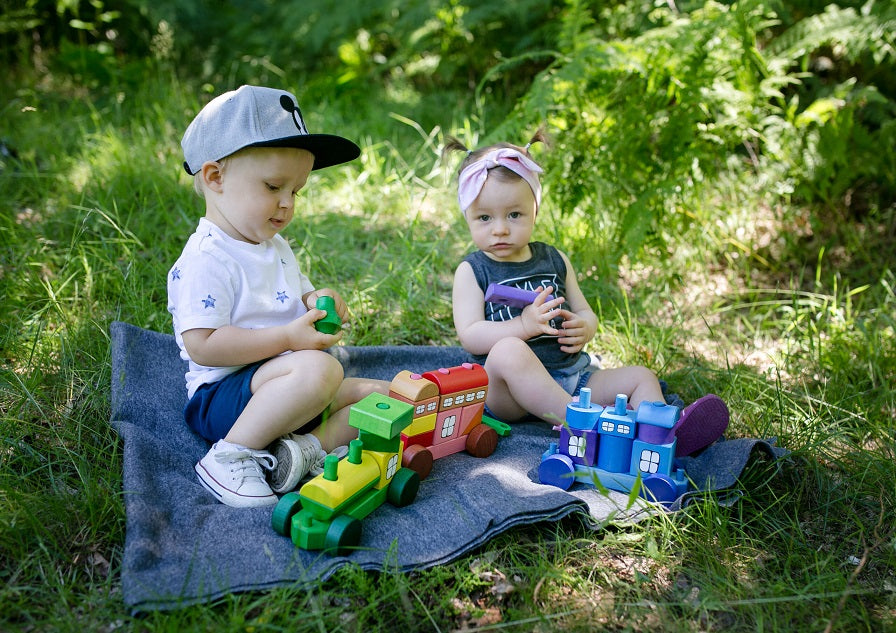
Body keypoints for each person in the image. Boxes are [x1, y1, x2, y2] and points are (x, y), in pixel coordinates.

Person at [168, 85, 387, 508]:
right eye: (273, 186)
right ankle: (232, 456)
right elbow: (203, 345)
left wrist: (317, 299)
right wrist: (289, 339)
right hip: (224, 399)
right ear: (215, 177)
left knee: (376, 399)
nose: (287, 204)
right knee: (321, 373)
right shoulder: (207, 259)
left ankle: (301, 454)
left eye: (297, 191)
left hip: (285, 381)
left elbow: (297, 293)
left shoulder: (271, 243)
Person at [445, 131, 729, 456]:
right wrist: (523, 326)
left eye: (514, 215)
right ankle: (584, 424)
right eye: (484, 217)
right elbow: (470, 335)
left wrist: (585, 326)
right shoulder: (473, 270)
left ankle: (661, 435)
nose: (500, 228)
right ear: (466, 216)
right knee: (508, 350)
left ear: (534, 210)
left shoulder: (554, 259)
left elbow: (584, 310)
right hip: (505, 393)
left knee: (641, 376)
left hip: (571, 377)